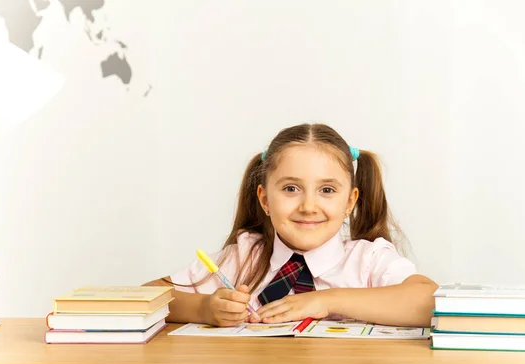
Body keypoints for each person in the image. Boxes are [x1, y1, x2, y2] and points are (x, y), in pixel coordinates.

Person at [145, 123, 437, 327]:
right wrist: (204, 308)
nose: (308, 206)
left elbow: (429, 302)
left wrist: (326, 301)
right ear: (265, 199)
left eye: (327, 190)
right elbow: (146, 296)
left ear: (349, 202)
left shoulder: (368, 260)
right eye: (290, 189)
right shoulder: (244, 257)